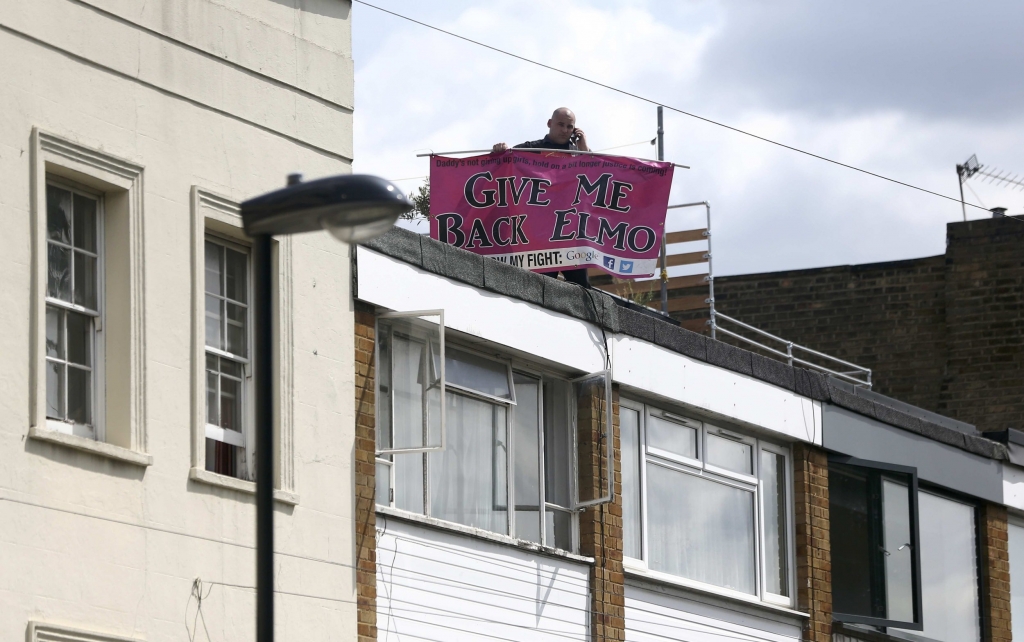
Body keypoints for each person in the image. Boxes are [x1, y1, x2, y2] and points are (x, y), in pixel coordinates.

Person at [492, 108, 592, 287]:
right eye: (561, 124)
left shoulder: (579, 154)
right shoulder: (532, 149)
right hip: (540, 236)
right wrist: (500, 151)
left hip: (571, 234)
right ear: (549, 123)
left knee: (584, 292)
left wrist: (584, 147)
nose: (565, 130)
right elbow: (505, 161)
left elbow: (597, 177)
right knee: (539, 288)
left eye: (570, 126)